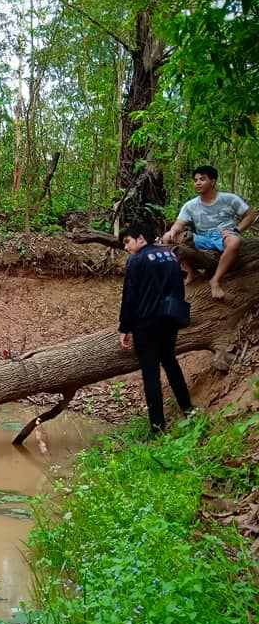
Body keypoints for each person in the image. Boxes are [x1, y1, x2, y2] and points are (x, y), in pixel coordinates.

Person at [118, 222, 193, 435]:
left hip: (146, 323)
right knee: (170, 362)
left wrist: (124, 327)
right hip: (170, 319)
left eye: (127, 242)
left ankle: (157, 429)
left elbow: (130, 297)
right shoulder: (171, 256)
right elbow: (179, 288)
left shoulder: (136, 260)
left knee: (151, 375)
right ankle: (189, 411)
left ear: (141, 238)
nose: (126, 247)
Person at [161, 165, 254, 299]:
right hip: (202, 238)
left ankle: (215, 280)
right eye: (195, 180)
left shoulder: (229, 199)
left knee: (235, 241)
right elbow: (180, 224)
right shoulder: (190, 205)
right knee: (167, 238)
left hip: (223, 236)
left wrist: (236, 230)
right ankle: (191, 271)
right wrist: (172, 231)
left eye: (202, 179)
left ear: (213, 181)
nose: (197, 183)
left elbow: (250, 215)